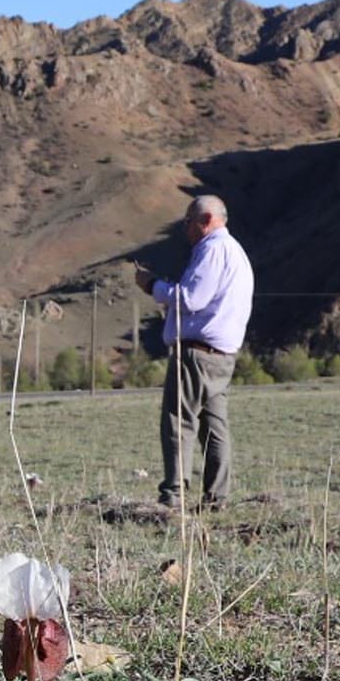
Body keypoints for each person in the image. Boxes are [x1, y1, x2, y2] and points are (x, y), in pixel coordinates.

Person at [136, 195, 254, 510]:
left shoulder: (213, 250)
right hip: (222, 356)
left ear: (206, 220)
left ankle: (174, 494)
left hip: (196, 355)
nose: (185, 228)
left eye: (189, 221)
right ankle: (216, 497)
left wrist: (152, 285)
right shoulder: (236, 253)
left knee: (179, 422)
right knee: (215, 427)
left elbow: (191, 298)